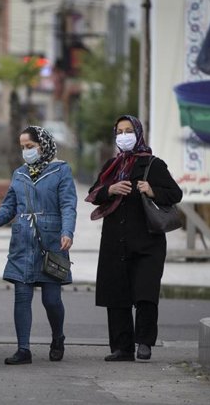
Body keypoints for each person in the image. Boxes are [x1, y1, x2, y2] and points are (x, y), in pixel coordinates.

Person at [0, 125, 77, 364]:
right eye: (23, 148)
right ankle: (23, 349)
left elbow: (68, 205)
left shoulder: (61, 171)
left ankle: (58, 337)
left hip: (51, 241)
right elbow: (9, 207)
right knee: (21, 295)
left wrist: (67, 231)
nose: (26, 151)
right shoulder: (19, 173)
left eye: (30, 147)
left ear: (43, 145)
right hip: (22, 242)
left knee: (51, 299)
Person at [85, 115, 182, 362]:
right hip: (115, 240)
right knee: (116, 295)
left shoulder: (153, 164)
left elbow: (175, 193)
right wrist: (111, 189)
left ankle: (144, 343)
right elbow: (94, 194)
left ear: (138, 133)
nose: (124, 135)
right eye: (120, 131)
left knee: (145, 293)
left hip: (148, 242)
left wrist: (152, 190)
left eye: (129, 130)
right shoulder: (112, 165)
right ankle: (121, 348)